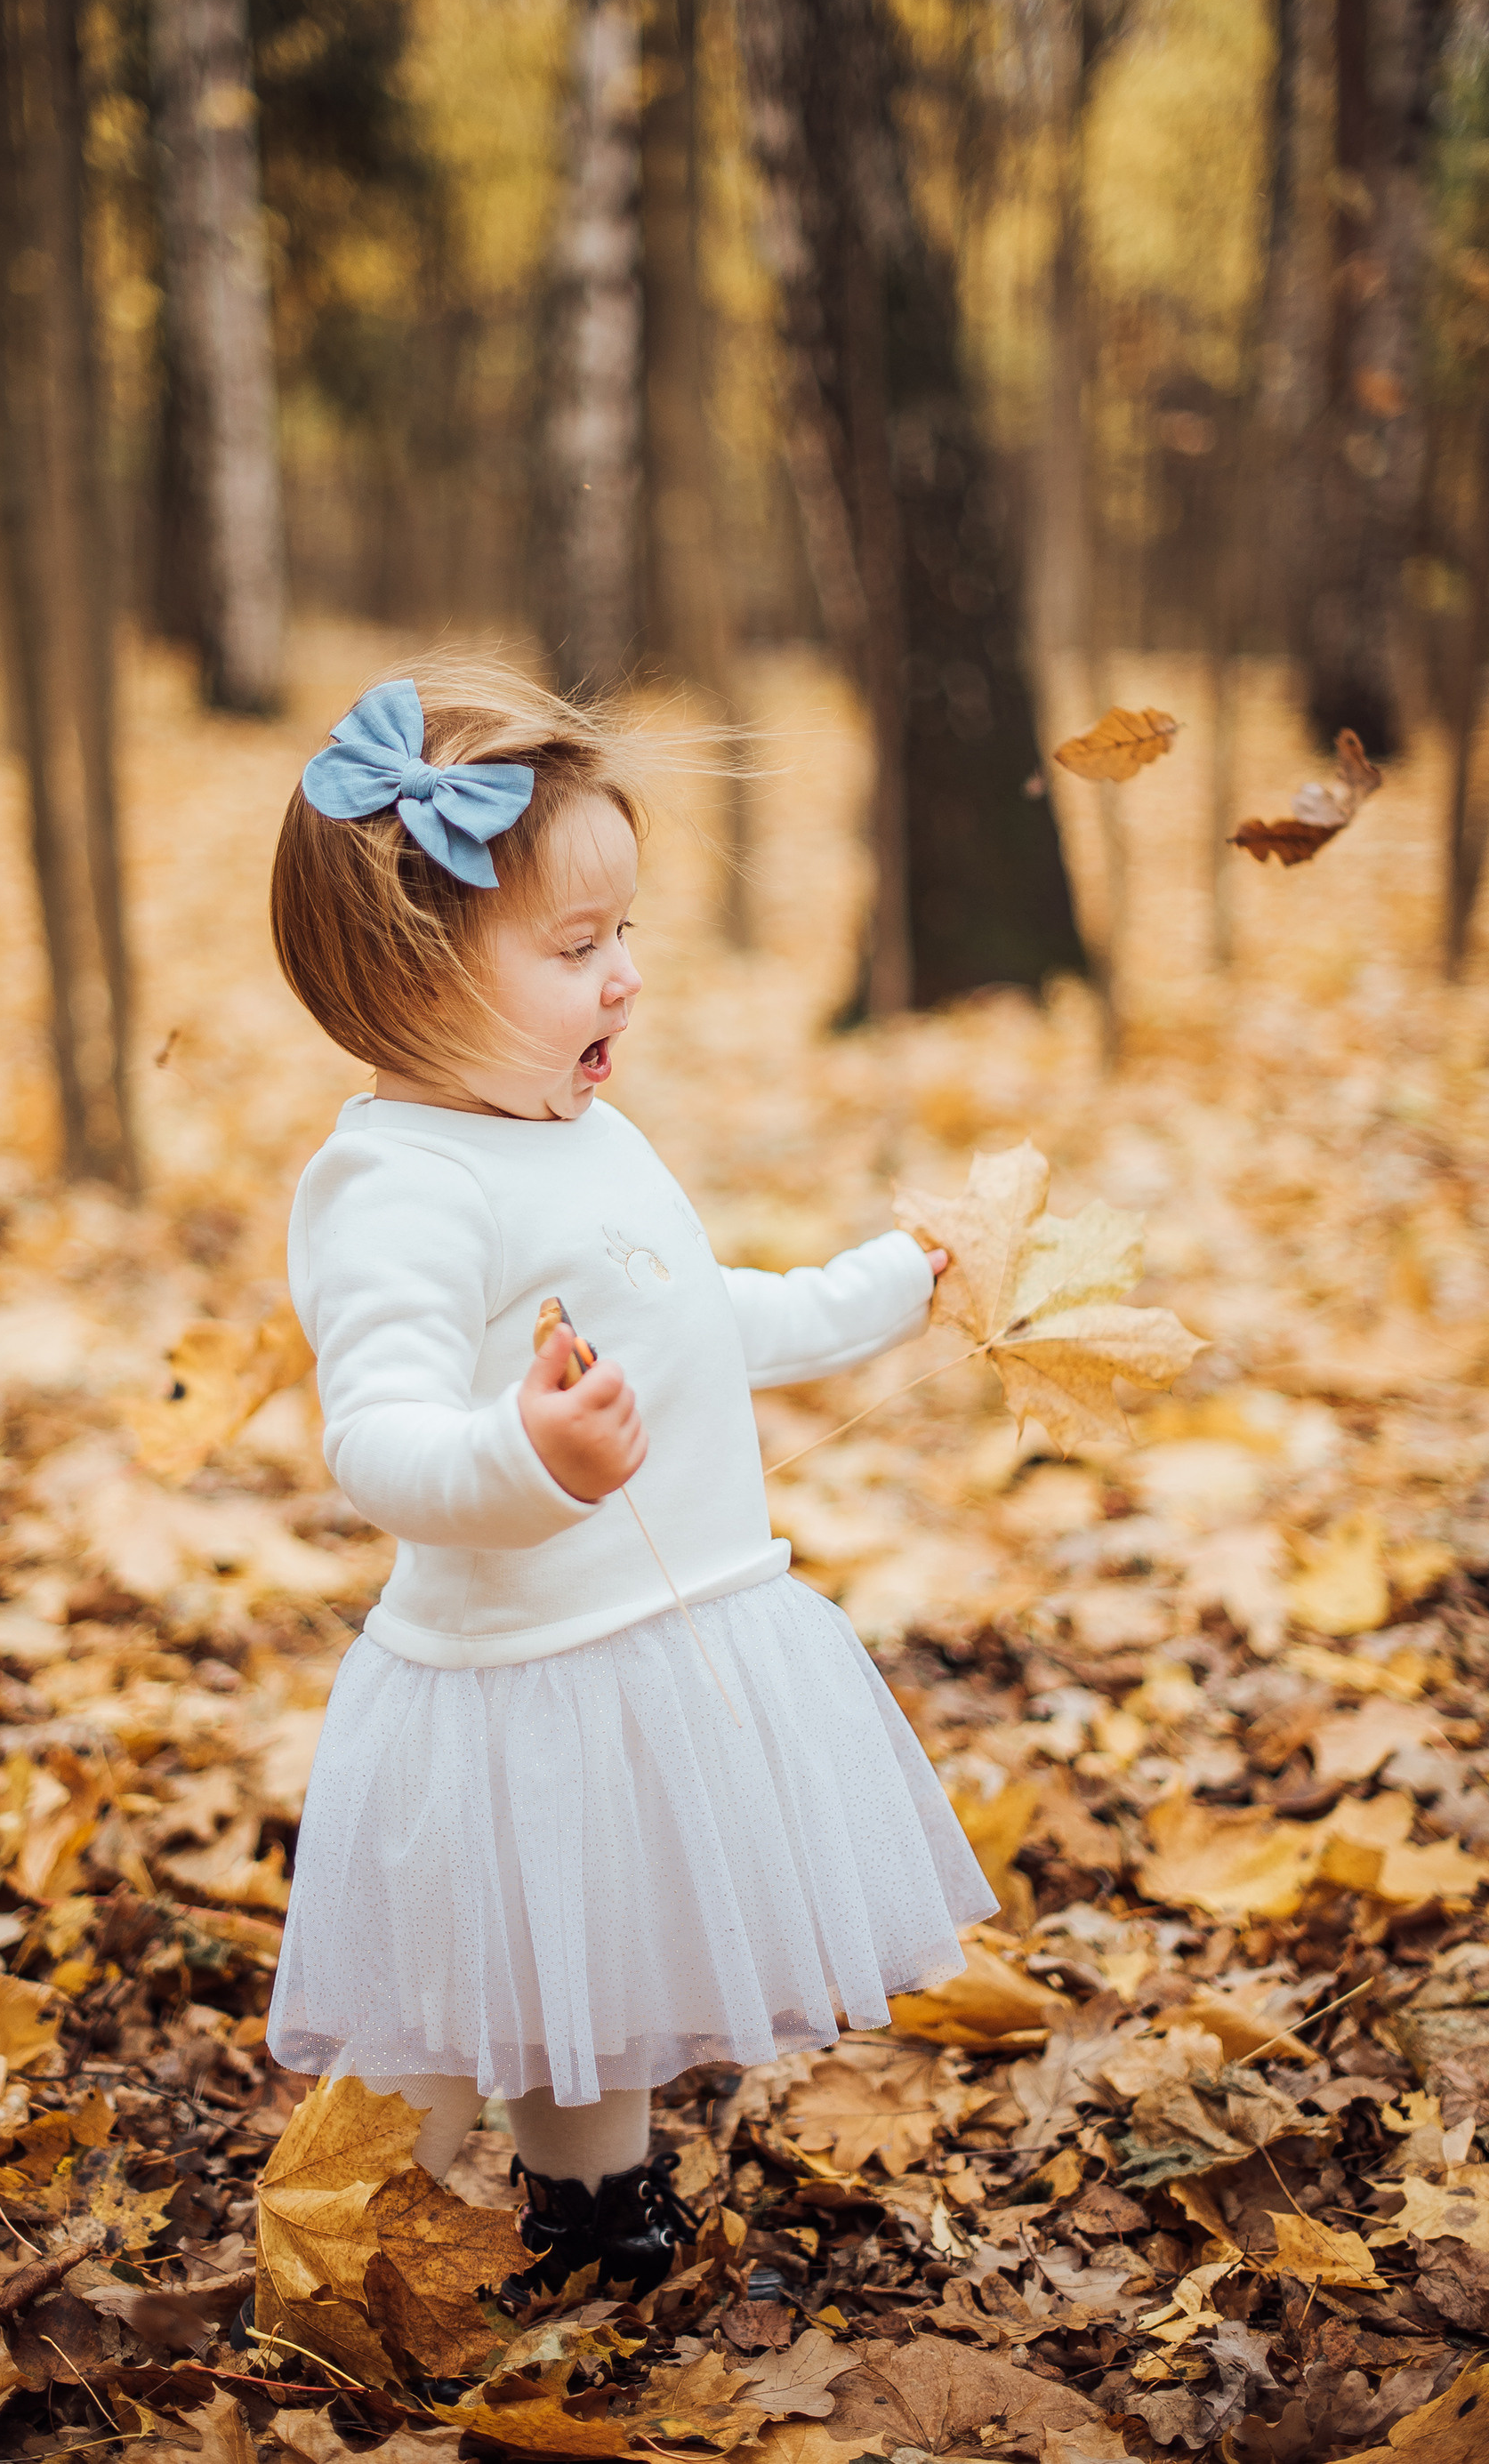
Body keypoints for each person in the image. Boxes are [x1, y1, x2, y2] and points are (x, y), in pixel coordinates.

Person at [263, 657, 994, 2307]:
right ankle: (358, 2221)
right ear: (413, 972)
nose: (629, 981)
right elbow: (373, 1439)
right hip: (516, 1677)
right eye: (580, 949)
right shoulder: (394, 1182)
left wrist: (887, 1283)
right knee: (460, 2000)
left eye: (629, 938)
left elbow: (695, 1312)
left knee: (586, 1955)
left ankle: (593, 2197)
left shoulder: (579, 1130)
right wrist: (523, 1456)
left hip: (653, 1635)